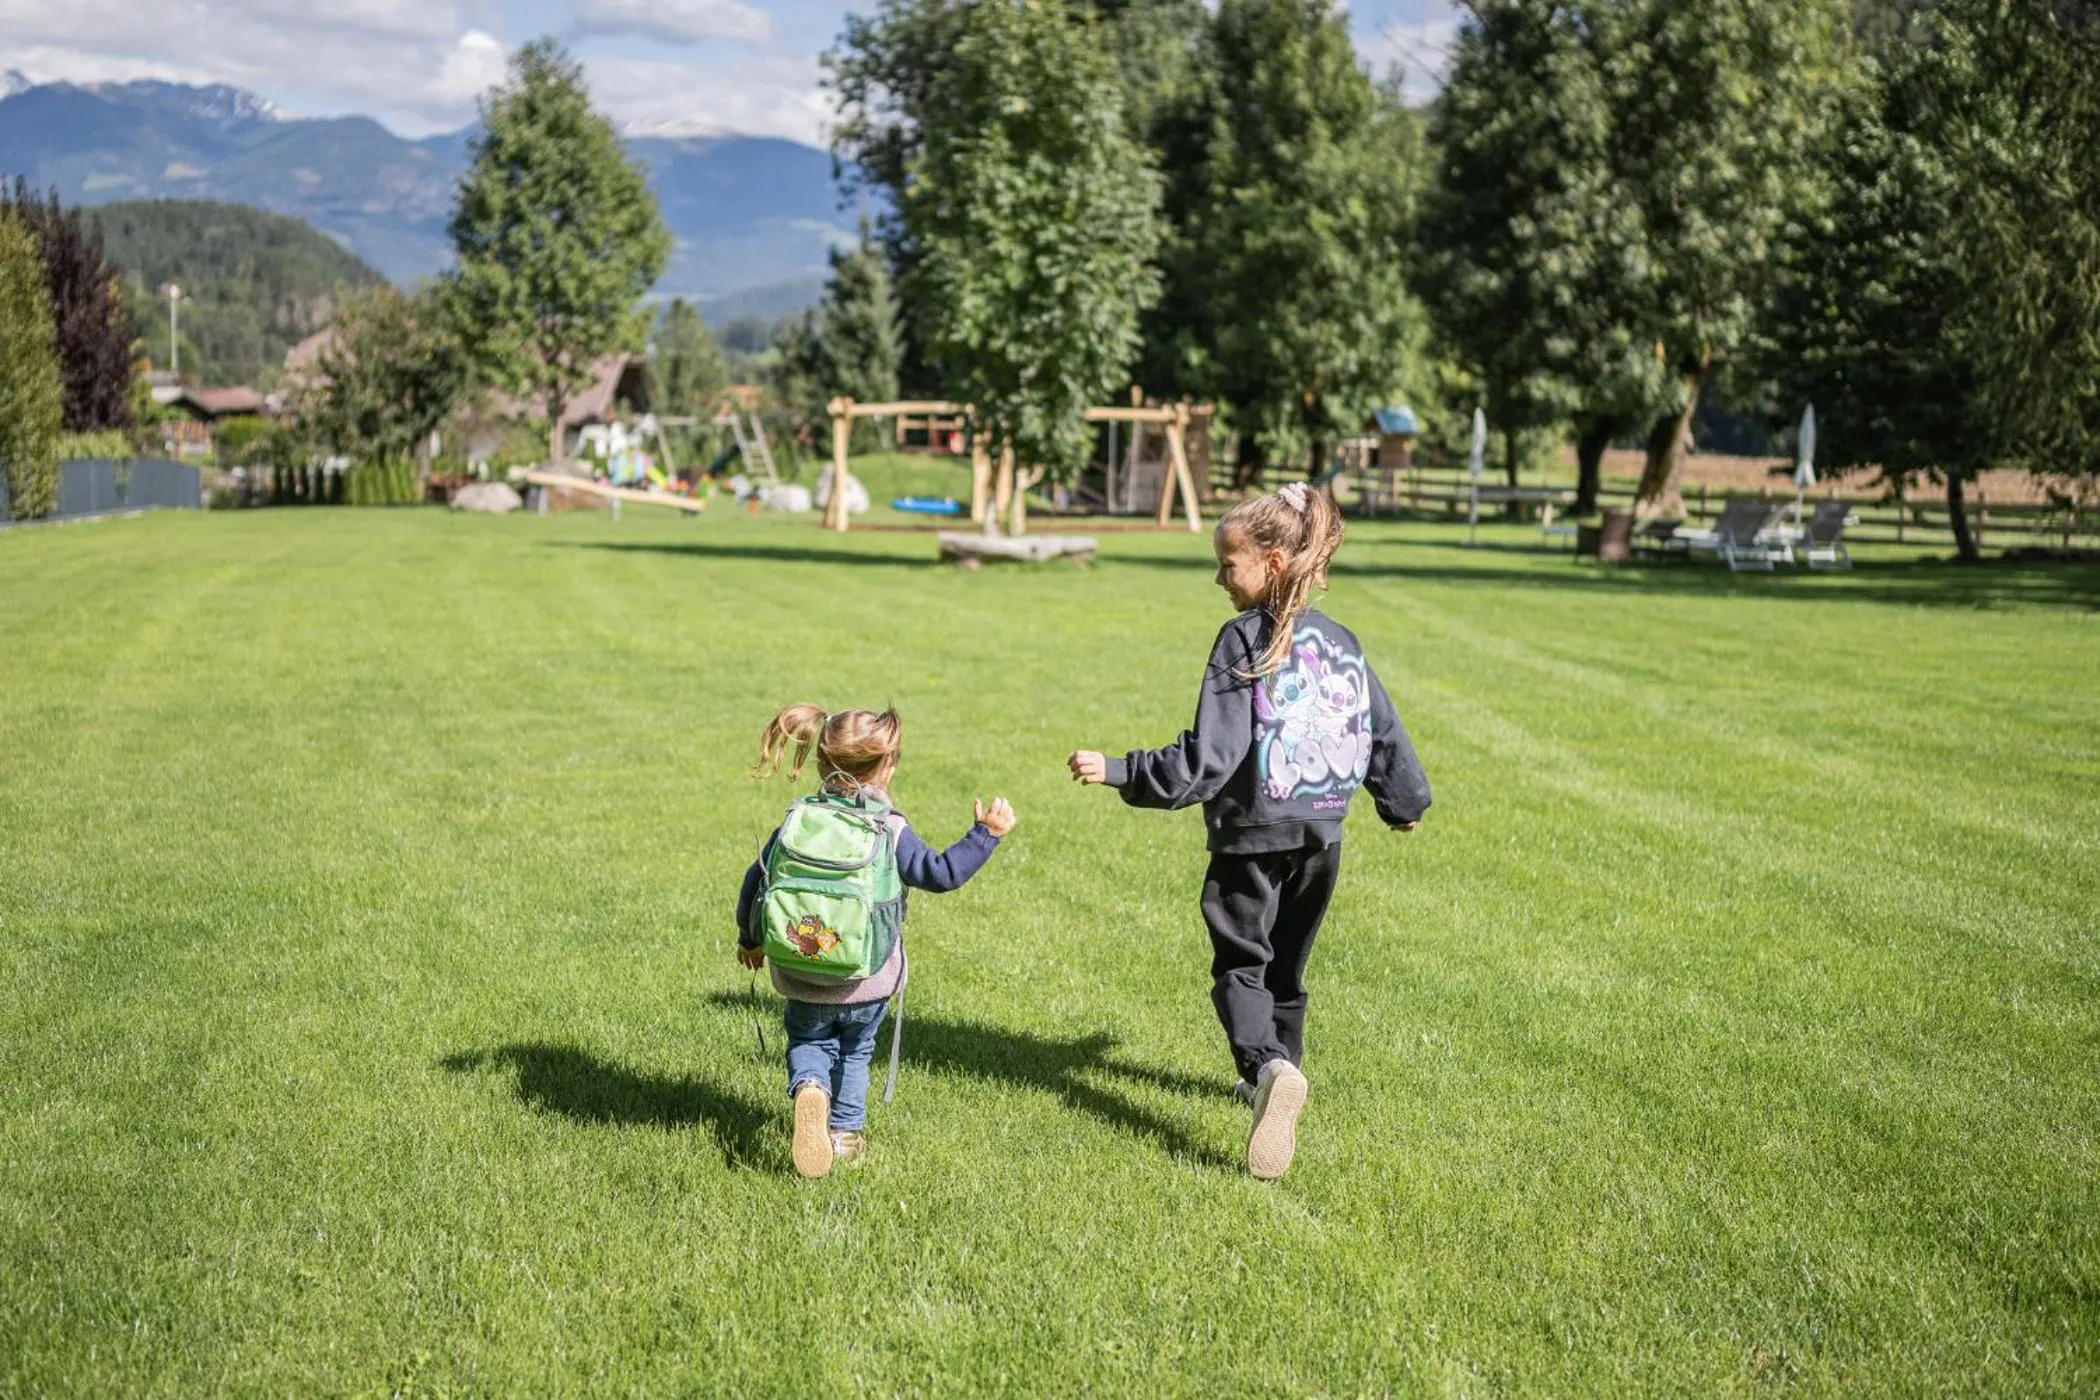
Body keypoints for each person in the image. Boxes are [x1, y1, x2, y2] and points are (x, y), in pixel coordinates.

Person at [1066, 482, 1429, 1179]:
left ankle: (1266, 1070)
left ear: (1269, 560)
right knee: (1287, 968)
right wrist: (1404, 800)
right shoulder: (1341, 640)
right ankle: (1278, 1070)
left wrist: (1121, 771)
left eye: (1227, 564)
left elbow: (1212, 756)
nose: (1218, 577)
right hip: (1324, 834)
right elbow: (1381, 728)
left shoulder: (1241, 638)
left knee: (1242, 965)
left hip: (1253, 835)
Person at [737, 704, 1014, 1179]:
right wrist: (985, 834)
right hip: (866, 981)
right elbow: (941, 873)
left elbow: (755, 881)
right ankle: (844, 1134)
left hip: (800, 973)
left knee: (808, 1039)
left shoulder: (797, 821)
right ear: (887, 767)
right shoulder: (889, 829)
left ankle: (809, 1087)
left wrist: (751, 939)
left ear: (823, 763)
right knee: (857, 1051)